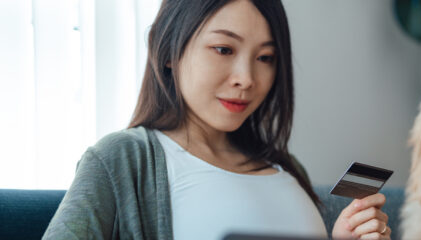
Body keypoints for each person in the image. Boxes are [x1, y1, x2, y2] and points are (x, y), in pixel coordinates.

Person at [43, 0, 391, 239]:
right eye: (224, 50)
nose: (247, 78)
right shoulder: (120, 158)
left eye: (266, 57)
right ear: (168, 52)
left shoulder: (285, 167)